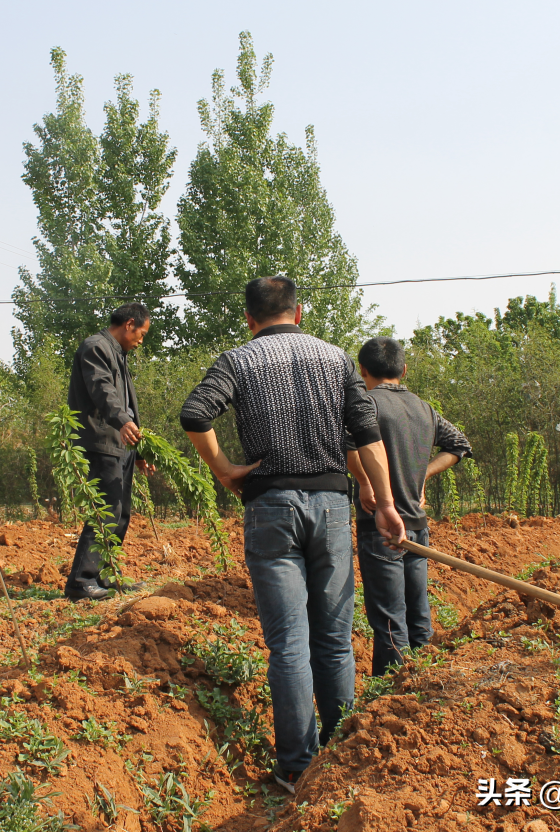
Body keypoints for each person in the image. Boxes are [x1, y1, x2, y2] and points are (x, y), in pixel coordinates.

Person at [179, 276, 406, 794]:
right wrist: (387, 503)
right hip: (330, 507)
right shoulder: (335, 359)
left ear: (249, 319)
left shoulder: (237, 360)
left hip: (271, 508)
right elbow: (367, 433)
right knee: (334, 638)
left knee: (288, 645)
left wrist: (224, 468)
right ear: (298, 313)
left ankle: (297, 768)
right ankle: (341, 749)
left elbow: (195, 412)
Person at [346, 336, 472, 676]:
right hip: (417, 526)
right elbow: (459, 445)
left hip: (381, 528)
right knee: (418, 614)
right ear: (404, 369)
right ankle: (423, 688)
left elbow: (348, 445)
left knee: (389, 621)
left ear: (362, 370)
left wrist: (364, 481)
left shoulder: (364, 405)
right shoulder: (424, 409)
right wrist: (422, 476)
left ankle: (389, 696)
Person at [63, 303, 155, 601]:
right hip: (101, 440)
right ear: (129, 324)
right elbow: (102, 389)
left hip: (121, 443)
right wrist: (122, 421)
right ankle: (81, 582)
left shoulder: (119, 354)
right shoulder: (96, 347)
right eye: (141, 333)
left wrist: (139, 451)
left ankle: (106, 575)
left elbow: (128, 402)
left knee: (121, 513)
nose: (141, 340)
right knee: (105, 512)